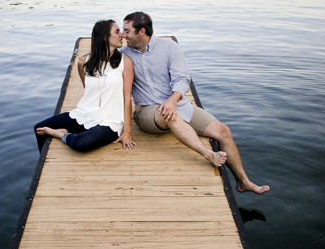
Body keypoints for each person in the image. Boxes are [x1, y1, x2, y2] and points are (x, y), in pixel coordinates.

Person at [120, 12, 269, 194]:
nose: (122, 35)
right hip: (146, 112)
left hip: (178, 105)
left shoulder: (169, 47)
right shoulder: (122, 55)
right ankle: (208, 154)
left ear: (142, 31)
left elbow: (182, 79)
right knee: (169, 115)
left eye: (127, 31)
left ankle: (244, 182)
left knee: (223, 131)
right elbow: (94, 63)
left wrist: (173, 100)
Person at [34, 19, 136, 153]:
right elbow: (88, 90)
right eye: (117, 32)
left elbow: (127, 97)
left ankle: (60, 134)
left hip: (110, 121)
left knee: (81, 143)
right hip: (84, 114)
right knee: (39, 128)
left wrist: (126, 131)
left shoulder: (125, 62)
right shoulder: (84, 62)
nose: (122, 35)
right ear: (104, 37)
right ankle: (43, 160)